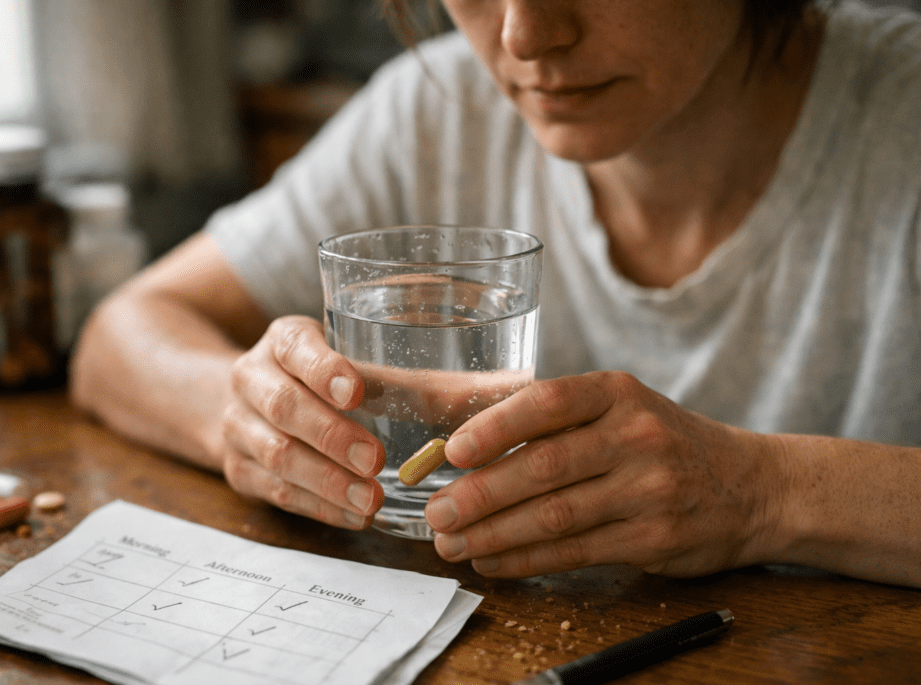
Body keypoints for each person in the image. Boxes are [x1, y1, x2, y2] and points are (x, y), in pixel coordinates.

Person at [70, 0, 921, 588]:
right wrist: (245, 412)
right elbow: (120, 335)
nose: (525, 36)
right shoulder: (435, 108)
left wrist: (761, 493)